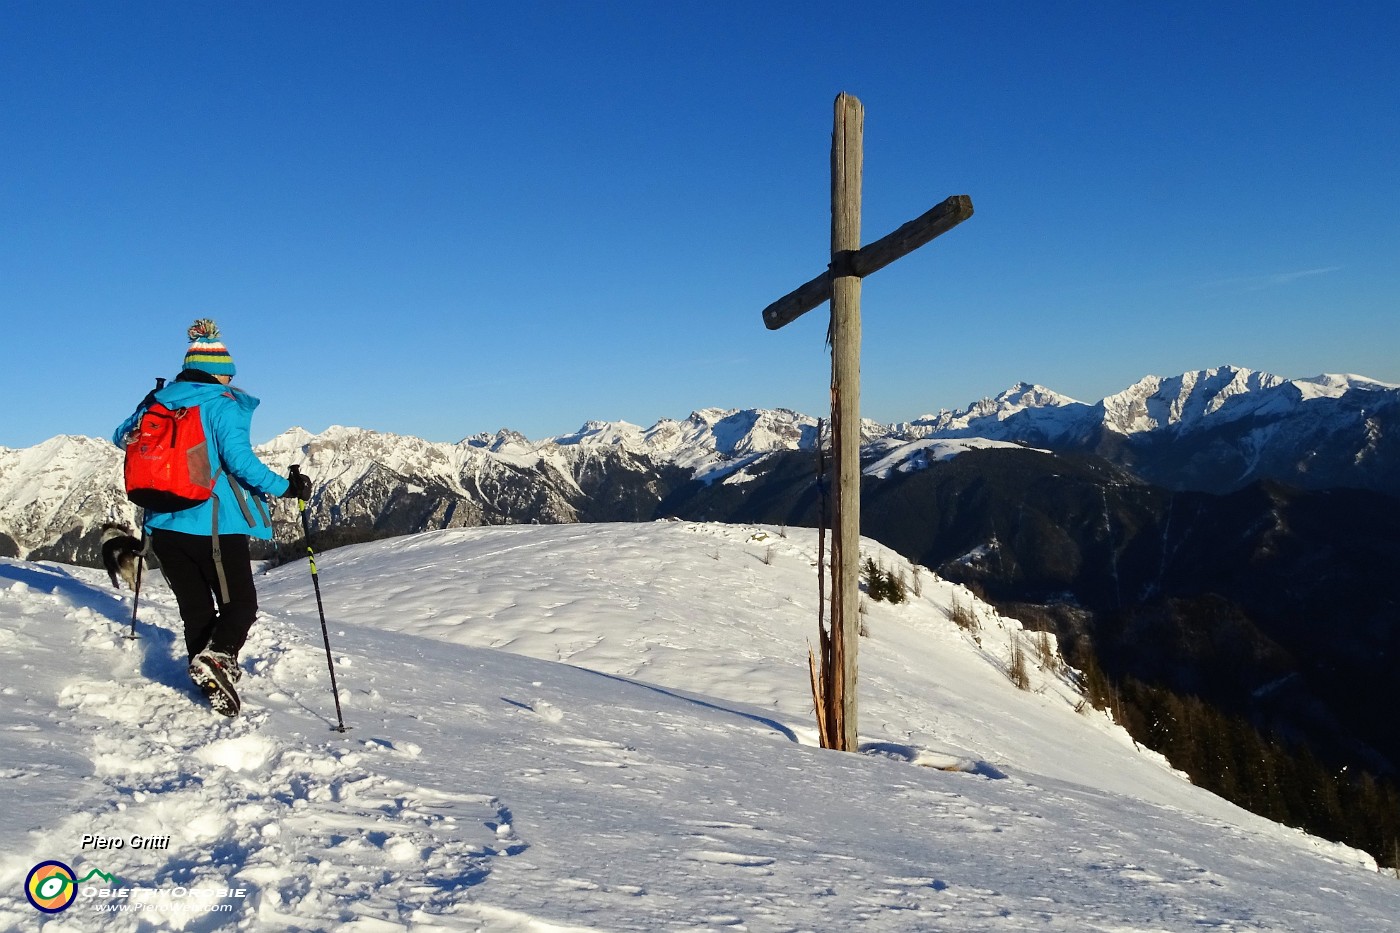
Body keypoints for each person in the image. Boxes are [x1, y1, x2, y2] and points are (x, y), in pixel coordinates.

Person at [113, 319, 312, 715]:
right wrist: (286, 488)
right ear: (221, 371)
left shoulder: (158, 399)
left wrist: (149, 403)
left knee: (195, 607)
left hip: (162, 522)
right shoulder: (223, 403)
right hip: (213, 523)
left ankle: (210, 673)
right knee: (240, 604)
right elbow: (240, 462)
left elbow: (121, 437)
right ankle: (218, 657)